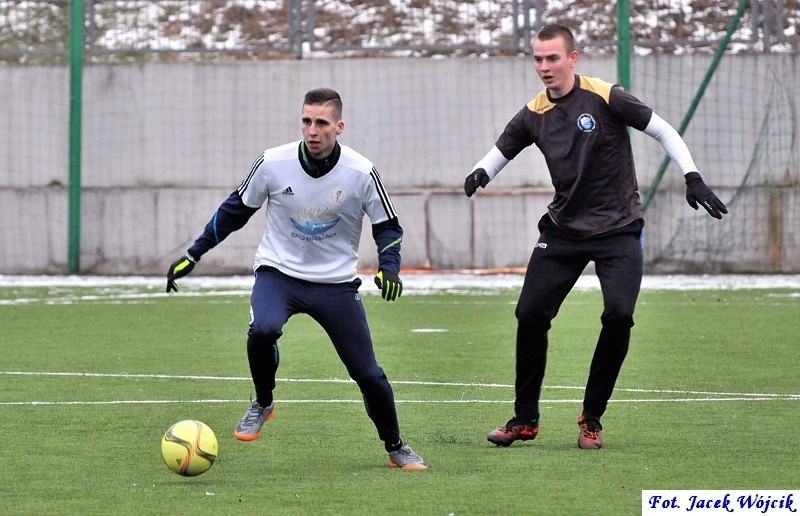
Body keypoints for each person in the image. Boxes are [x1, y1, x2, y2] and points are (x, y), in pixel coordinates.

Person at [464, 24, 727, 449]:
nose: (545, 67)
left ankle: (592, 417)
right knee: (529, 315)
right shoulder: (534, 112)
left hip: (618, 230)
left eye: (553, 58)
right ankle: (525, 419)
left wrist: (692, 177)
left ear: (573, 58)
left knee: (619, 315)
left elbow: (663, 129)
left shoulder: (607, 96)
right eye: (538, 59)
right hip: (563, 231)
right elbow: (504, 148)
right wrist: (481, 172)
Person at [166, 88, 427, 470]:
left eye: (322, 123)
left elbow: (388, 225)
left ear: (339, 126)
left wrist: (390, 265)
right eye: (306, 121)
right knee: (263, 329)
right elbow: (234, 211)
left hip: (336, 284)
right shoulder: (273, 162)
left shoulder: (361, 172)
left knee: (368, 372)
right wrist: (195, 252)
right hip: (279, 274)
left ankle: (396, 446)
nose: (312, 130)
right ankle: (263, 402)